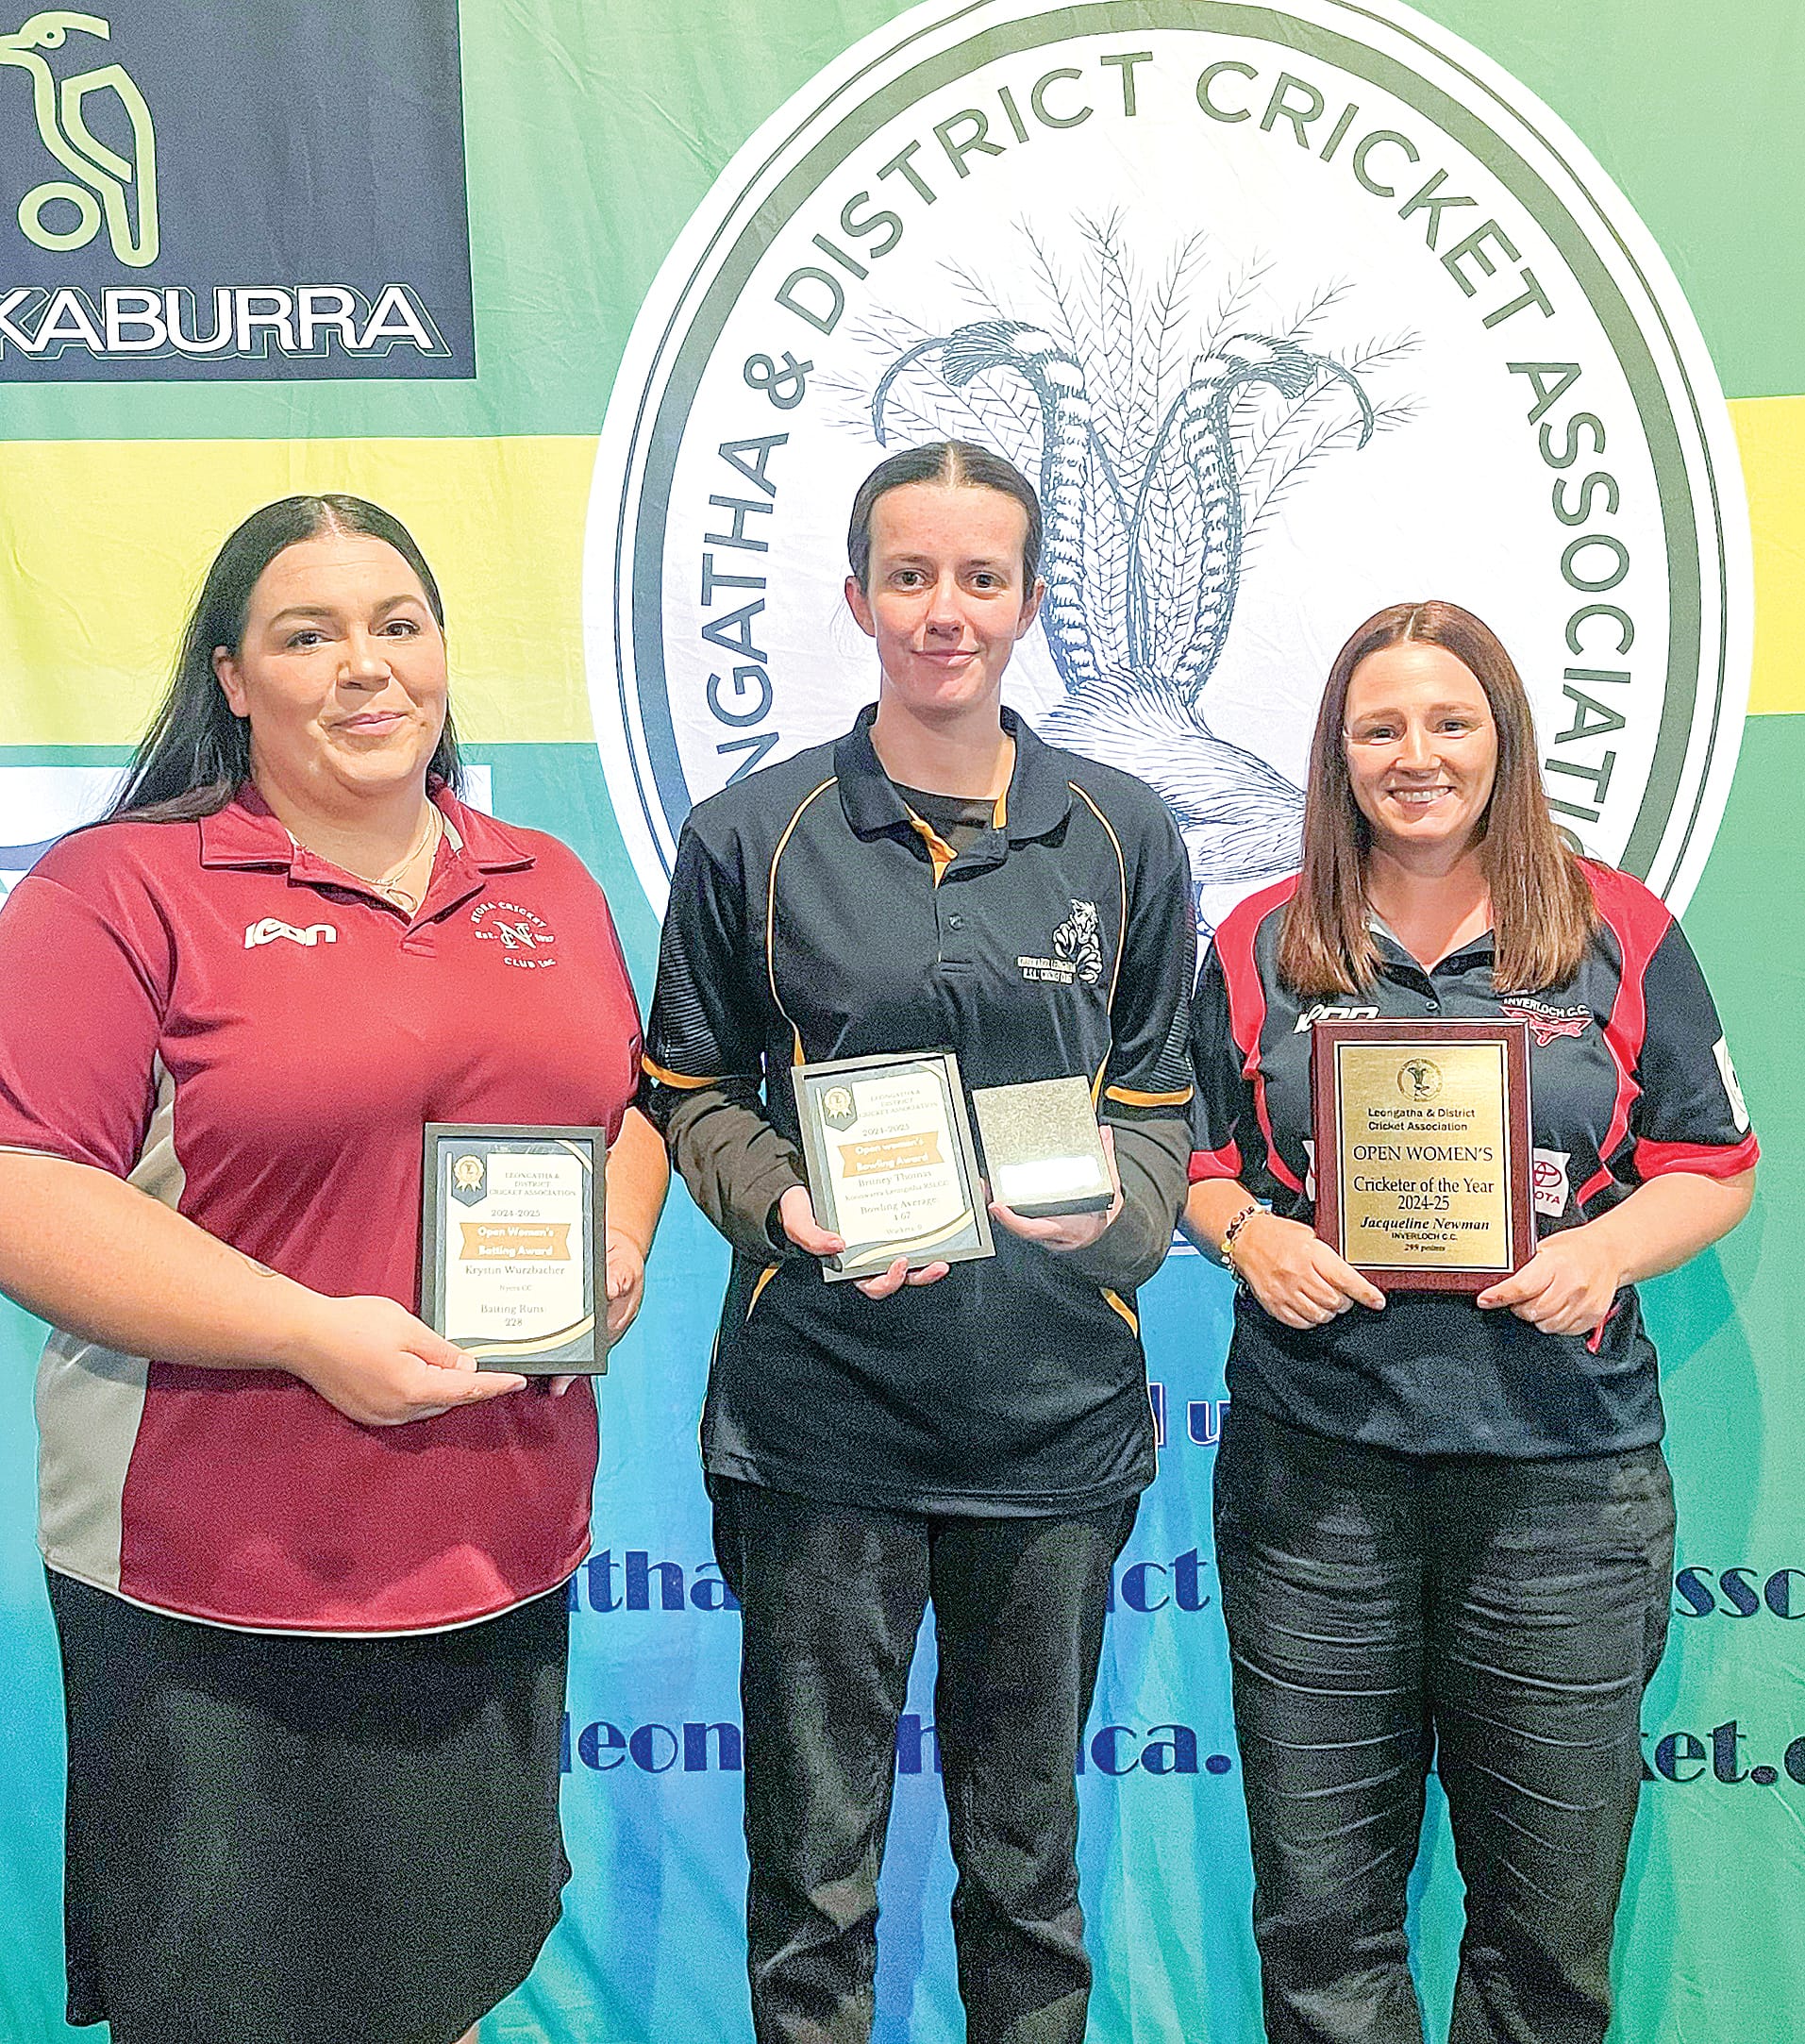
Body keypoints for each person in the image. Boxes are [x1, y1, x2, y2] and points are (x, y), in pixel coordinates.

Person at [0, 494, 667, 2044]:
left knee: (436, 1989)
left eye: (398, 624)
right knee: (233, 2007)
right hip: (211, 1579)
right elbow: (28, 1190)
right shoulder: (119, 891)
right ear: (232, 675)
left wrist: (621, 1236)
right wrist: (308, 1331)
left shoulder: (546, 883)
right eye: (309, 633)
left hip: (492, 1559)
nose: (366, 667)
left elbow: (624, 1113)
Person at [640, 440, 1195, 2043]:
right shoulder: (753, 832)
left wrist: (1123, 1220)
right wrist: (786, 1204)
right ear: (855, 592)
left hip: (1052, 1428)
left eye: (978, 578)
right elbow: (686, 1086)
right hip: (820, 1427)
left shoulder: (1125, 833)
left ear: (1029, 601)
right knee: (813, 1880)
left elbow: (1158, 1097)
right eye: (907, 575)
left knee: (1026, 1874)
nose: (940, 611)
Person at [1184, 598, 1758, 2044]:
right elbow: (1186, 1155)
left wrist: (1608, 1252)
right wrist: (1252, 1237)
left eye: (1449, 721)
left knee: (1544, 1932)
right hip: (1317, 1478)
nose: (1416, 754)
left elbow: (1713, 1159)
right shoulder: (1262, 936)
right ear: (1337, 753)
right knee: (1319, 1922)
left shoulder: (1613, 923)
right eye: (1379, 727)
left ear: (1501, 739)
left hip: (1563, 1485)